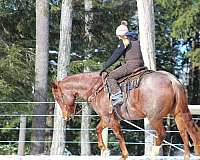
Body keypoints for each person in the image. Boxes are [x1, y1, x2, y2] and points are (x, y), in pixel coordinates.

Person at [100, 20, 145, 108]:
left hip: (131, 65)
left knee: (111, 77)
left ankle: (117, 97)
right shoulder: (136, 41)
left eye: (118, 36)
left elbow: (116, 55)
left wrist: (104, 67)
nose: (118, 38)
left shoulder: (125, 41)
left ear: (121, 35)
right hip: (141, 65)